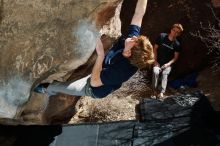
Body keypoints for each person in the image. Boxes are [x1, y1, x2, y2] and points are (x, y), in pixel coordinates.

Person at [34, 0, 154, 99]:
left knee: (57, 86)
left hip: (95, 88)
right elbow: (139, 14)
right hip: (104, 71)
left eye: (134, 41)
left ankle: (46, 89)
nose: (134, 37)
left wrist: (101, 55)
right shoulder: (133, 43)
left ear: (128, 53)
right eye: (136, 38)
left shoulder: (121, 72)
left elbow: (94, 81)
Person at [152, 23, 184, 99]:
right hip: (158, 61)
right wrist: (155, 61)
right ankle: (154, 91)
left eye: (177, 32)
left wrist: (168, 64)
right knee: (155, 71)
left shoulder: (177, 44)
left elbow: (175, 58)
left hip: (168, 64)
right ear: (171, 30)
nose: (175, 33)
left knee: (164, 74)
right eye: (174, 30)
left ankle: (161, 92)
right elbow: (155, 49)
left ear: (179, 34)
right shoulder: (162, 36)